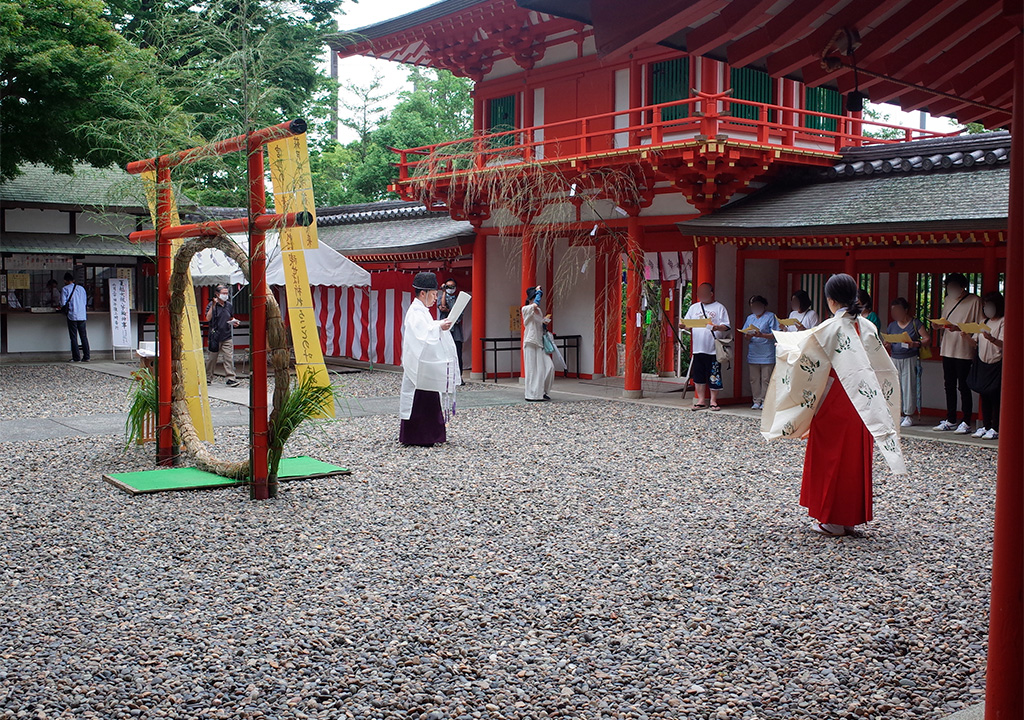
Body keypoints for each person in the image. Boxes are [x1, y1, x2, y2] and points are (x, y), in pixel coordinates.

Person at [762, 273, 905, 538]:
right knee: (854, 458)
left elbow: (803, 362)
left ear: (830, 299)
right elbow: (883, 367)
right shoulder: (868, 327)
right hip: (864, 401)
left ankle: (832, 519)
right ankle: (849, 518)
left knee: (831, 458)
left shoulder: (831, 328)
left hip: (835, 400)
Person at [399, 272, 459, 446]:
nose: (435, 298)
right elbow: (421, 334)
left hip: (425, 367)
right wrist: (439, 326)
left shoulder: (421, 311)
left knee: (428, 400)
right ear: (423, 293)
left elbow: (428, 327)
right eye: (433, 294)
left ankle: (429, 435)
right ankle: (420, 437)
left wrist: (439, 325)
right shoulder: (415, 312)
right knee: (421, 401)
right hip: (419, 368)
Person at [933, 272, 983, 434]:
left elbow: (980, 326)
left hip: (963, 348)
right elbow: (944, 318)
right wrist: (938, 325)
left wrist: (961, 328)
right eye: (949, 286)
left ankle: (966, 420)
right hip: (947, 346)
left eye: (954, 286)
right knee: (949, 385)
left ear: (963, 287)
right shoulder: (948, 299)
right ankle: (951, 419)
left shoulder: (975, 301)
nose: (951, 289)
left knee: (964, 386)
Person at [884, 297, 931, 427]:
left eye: (898, 310)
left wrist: (916, 343)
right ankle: (897, 413)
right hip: (895, 358)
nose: (895, 314)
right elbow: (889, 342)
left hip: (909, 358)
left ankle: (909, 414)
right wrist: (887, 344)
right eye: (893, 311)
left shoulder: (915, 323)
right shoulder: (892, 326)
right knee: (895, 386)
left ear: (905, 310)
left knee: (908, 386)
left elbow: (927, 338)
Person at [683, 282, 730, 411]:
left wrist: (716, 327)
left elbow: (726, 326)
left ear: (711, 293)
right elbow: (687, 324)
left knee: (714, 374)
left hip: (713, 348)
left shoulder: (719, 307)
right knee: (698, 375)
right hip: (698, 347)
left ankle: (714, 401)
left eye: (704, 293)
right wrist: (683, 325)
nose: (701, 295)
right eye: (699, 293)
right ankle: (701, 400)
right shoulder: (694, 308)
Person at [968, 292, 1004, 440]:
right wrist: (965, 336)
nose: (986, 308)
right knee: (984, 394)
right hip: (982, 361)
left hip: (997, 361)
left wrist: (991, 338)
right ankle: (986, 425)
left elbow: (1004, 344)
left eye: (989, 305)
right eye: (985, 306)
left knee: (995, 396)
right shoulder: (985, 322)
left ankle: (996, 427)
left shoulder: (1003, 321)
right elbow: (974, 342)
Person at [743, 295, 779, 409]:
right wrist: (748, 335)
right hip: (754, 351)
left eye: (758, 306)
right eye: (753, 307)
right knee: (754, 378)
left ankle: (765, 401)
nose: (755, 308)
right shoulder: (750, 318)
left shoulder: (771, 316)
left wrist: (762, 335)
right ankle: (756, 400)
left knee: (766, 378)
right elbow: (745, 335)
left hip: (767, 351)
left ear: (763, 305)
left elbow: (775, 334)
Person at [521, 285, 554, 402]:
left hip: (539, 342)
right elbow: (535, 304)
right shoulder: (526, 309)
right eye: (534, 297)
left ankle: (542, 391)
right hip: (530, 341)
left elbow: (539, 324)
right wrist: (539, 292)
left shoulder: (538, 311)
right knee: (532, 370)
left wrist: (544, 323)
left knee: (549, 367)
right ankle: (532, 394)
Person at [205, 284, 241, 387]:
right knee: (212, 358)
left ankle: (230, 378)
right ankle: (208, 377)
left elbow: (230, 317)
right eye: (223, 293)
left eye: (227, 293)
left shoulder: (229, 305)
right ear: (217, 294)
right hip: (215, 336)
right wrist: (213, 305)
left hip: (227, 335)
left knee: (228, 357)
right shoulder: (211, 305)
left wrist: (234, 322)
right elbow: (208, 318)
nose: (226, 295)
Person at [438, 278, 465, 386]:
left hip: (456, 331)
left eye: (452, 287)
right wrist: (444, 292)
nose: (450, 289)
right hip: (445, 331)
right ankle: (446, 377)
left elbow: (458, 314)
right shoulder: (441, 297)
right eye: (448, 287)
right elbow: (442, 307)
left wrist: (449, 311)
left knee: (458, 354)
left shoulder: (459, 300)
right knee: (444, 354)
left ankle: (459, 377)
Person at [60, 272, 90, 362]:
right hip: (82, 315)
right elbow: (85, 302)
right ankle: (87, 356)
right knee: (83, 336)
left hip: (72, 315)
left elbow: (62, 303)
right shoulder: (81, 288)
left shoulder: (65, 289)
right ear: (73, 280)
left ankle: (76, 357)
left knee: (73, 337)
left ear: (65, 280)